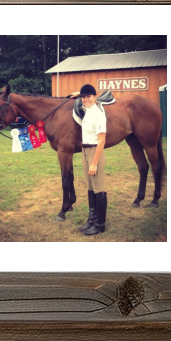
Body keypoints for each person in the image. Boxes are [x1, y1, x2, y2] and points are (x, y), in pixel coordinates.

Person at [72, 84, 108, 235]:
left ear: (95, 97)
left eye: (89, 96)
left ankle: (100, 224)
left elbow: (102, 141)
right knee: (90, 187)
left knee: (99, 188)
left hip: (94, 151)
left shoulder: (98, 114)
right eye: (83, 97)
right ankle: (92, 220)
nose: (86, 99)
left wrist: (94, 163)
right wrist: (76, 94)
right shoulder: (87, 111)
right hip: (85, 150)